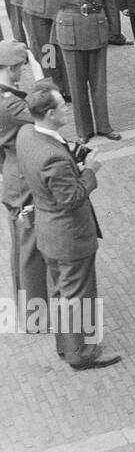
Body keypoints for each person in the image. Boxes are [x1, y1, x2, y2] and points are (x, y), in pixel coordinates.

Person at [15, 82, 120, 370]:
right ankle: (81, 353)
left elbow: (53, 156)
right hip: (69, 236)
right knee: (78, 295)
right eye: (62, 106)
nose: (66, 109)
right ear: (49, 113)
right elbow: (71, 198)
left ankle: (67, 346)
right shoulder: (53, 158)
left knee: (61, 292)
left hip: (47, 233)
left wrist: (74, 155)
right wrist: (89, 172)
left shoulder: (27, 134)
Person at [22, 0, 118, 142]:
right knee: (76, 84)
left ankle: (104, 126)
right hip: (70, 31)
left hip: (96, 27)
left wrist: (114, 29)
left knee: (99, 83)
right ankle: (84, 131)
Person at [1, 40, 49, 335]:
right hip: (22, 179)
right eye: (19, 67)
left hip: (11, 176)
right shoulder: (10, 103)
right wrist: (39, 72)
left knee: (21, 247)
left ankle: (28, 311)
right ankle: (36, 317)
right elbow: (46, 110)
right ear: (10, 68)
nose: (21, 72)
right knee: (30, 248)